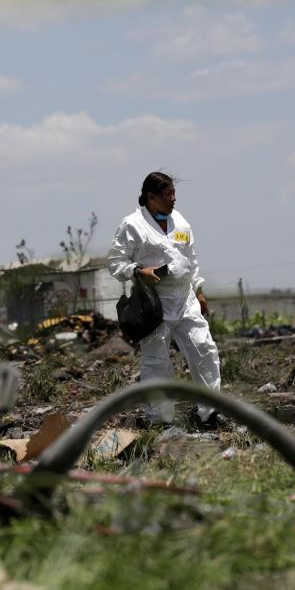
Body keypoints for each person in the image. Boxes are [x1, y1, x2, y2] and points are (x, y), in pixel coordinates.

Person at [106, 171, 223, 424]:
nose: (173, 199)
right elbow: (115, 262)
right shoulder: (132, 225)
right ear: (151, 197)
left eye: (174, 194)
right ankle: (159, 418)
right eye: (167, 194)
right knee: (157, 361)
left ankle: (210, 411)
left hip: (185, 298)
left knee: (204, 349)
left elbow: (191, 260)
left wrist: (199, 290)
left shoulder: (180, 223)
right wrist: (138, 271)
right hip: (154, 303)